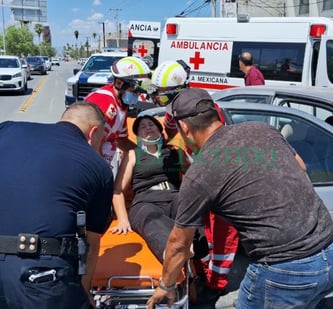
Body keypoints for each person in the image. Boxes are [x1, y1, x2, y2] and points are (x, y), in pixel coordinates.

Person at [146, 88, 333, 309]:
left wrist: (166, 285)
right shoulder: (262, 129)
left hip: (284, 271)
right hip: (332, 255)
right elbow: (300, 166)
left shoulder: (202, 171)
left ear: (184, 128)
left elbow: (179, 243)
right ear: (215, 115)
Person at [0, 102, 114, 309]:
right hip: (39, 275)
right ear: (94, 132)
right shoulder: (98, 167)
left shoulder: (7, 129)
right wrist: (84, 289)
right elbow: (91, 240)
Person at [109, 115, 190, 263]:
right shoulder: (133, 155)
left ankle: (197, 261)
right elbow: (118, 190)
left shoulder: (174, 151)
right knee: (151, 215)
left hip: (173, 196)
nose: (148, 127)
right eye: (143, 126)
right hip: (146, 201)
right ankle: (172, 252)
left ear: (160, 131)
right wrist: (122, 219)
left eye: (152, 125)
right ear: (138, 135)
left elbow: (193, 175)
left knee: (187, 208)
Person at [84, 56, 152, 165]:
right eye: (134, 90)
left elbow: (122, 141)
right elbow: (92, 143)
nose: (138, 95)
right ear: (119, 83)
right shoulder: (104, 102)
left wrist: (145, 155)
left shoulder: (121, 105)